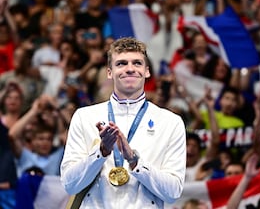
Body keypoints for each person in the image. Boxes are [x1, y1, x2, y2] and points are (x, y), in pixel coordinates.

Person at [60, 37, 186, 208]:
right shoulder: (85, 116)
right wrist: (101, 152)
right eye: (121, 64)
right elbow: (69, 184)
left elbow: (173, 193)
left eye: (137, 63)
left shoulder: (170, 122)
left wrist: (135, 161)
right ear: (109, 72)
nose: (130, 69)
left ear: (147, 71)